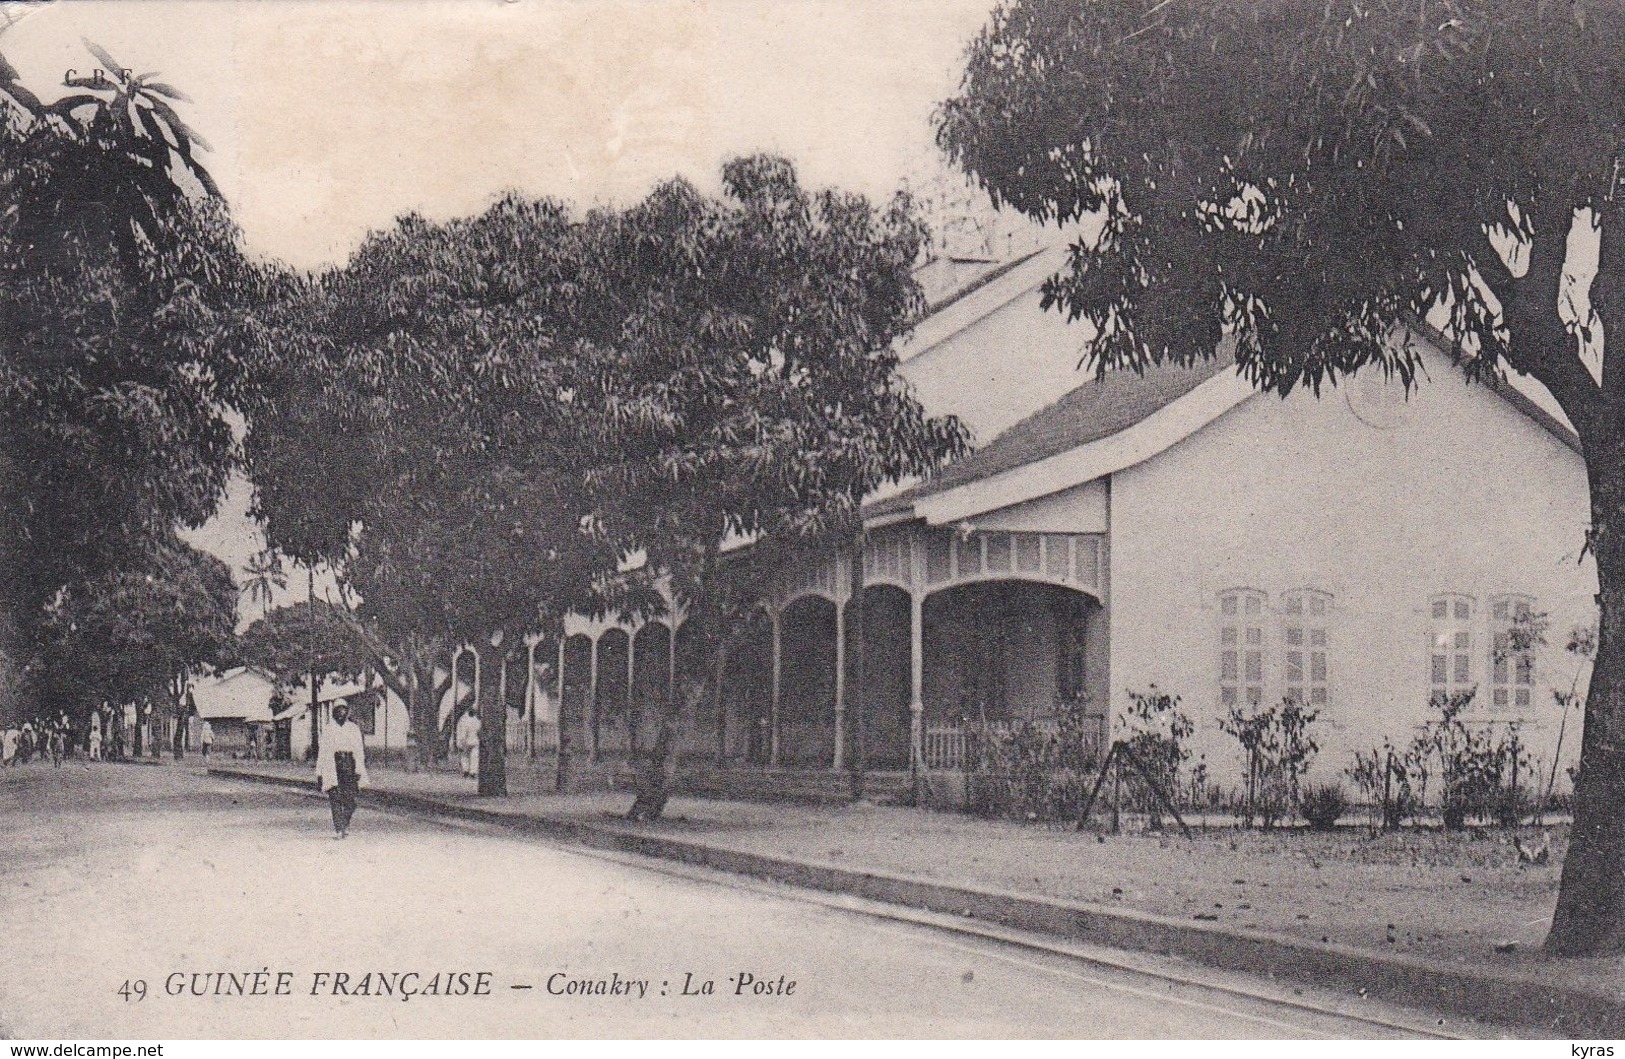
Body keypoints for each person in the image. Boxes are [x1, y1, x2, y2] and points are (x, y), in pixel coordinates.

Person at [316, 700, 368, 838]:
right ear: (334, 712)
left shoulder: (353, 728)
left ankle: (344, 823)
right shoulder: (328, 729)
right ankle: (339, 829)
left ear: (347, 712)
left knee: (350, 800)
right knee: (335, 797)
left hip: (349, 765)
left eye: (344, 710)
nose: (341, 713)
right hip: (333, 765)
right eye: (338, 710)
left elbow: (359, 750)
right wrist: (319, 773)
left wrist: (359, 770)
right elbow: (322, 752)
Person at [454, 706, 481, 778]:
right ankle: (473, 771)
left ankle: (465, 770)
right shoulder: (477, 721)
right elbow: (479, 730)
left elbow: (462, 732)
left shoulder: (463, 720)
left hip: (466, 740)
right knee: (474, 756)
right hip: (475, 740)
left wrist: (460, 741)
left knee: (464, 756)